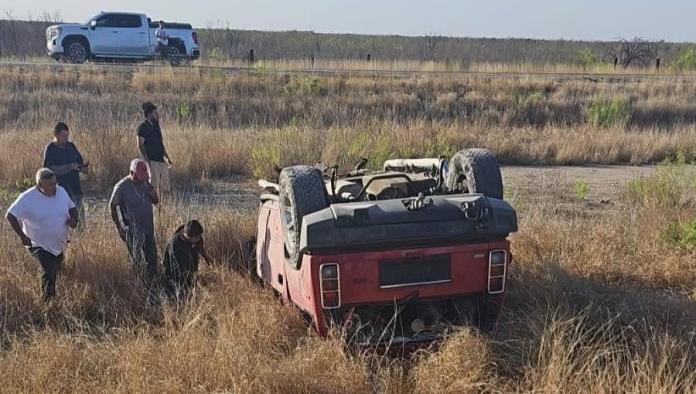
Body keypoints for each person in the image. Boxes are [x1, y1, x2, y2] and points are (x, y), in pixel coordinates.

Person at [5, 168, 78, 301]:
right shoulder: (27, 198)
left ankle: (58, 292)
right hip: (37, 243)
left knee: (57, 266)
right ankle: (49, 303)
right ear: (40, 186)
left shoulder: (61, 191)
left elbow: (71, 207)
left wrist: (74, 220)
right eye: (50, 185)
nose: (54, 187)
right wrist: (22, 236)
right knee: (49, 271)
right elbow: (10, 215)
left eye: (55, 183)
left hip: (58, 243)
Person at [109, 159, 159, 289]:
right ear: (132, 173)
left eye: (145, 176)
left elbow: (156, 201)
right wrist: (119, 228)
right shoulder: (121, 187)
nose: (144, 179)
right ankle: (138, 286)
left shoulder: (146, 183)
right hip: (133, 230)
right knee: (137, 261)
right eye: (141, 176)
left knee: (152, 257)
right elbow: (112, 206)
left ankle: (153, 284)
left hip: (148, 227)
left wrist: (153, 195)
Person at [43, 122, 89, 230]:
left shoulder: (71, 146)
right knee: (63, 223)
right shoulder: (50, 149)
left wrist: (83, 169)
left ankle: (81, 243)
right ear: (55, 134)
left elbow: (79, 163)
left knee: (80, 222)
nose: (66, 139)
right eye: (63, 136)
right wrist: (69, 167)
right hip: (60, 192)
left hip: (75, 189)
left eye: (67, 136)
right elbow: (49, 170)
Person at [162, 220, 211, 300]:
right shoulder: (175, 245)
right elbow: (177, 270)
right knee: (181, 298)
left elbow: (200, 247)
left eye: (199, 236)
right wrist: (196, 279)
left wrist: (206, 258)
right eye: (197, 238)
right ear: (188, 237)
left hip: (190, 270)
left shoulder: (195, 235)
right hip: (174, 277)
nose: (199, 239)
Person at [137, 102, 173, 196]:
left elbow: (161, 144)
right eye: (155, 113)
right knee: (153, 187)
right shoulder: (142, 127)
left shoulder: (157, 126)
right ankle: (152, 208)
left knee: (165, 188)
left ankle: (165, 207)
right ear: (149, 114)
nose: (157, 115)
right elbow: (140, 146)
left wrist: (168, 158)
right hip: (152, 161)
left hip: (161, 160)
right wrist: (148, 161)